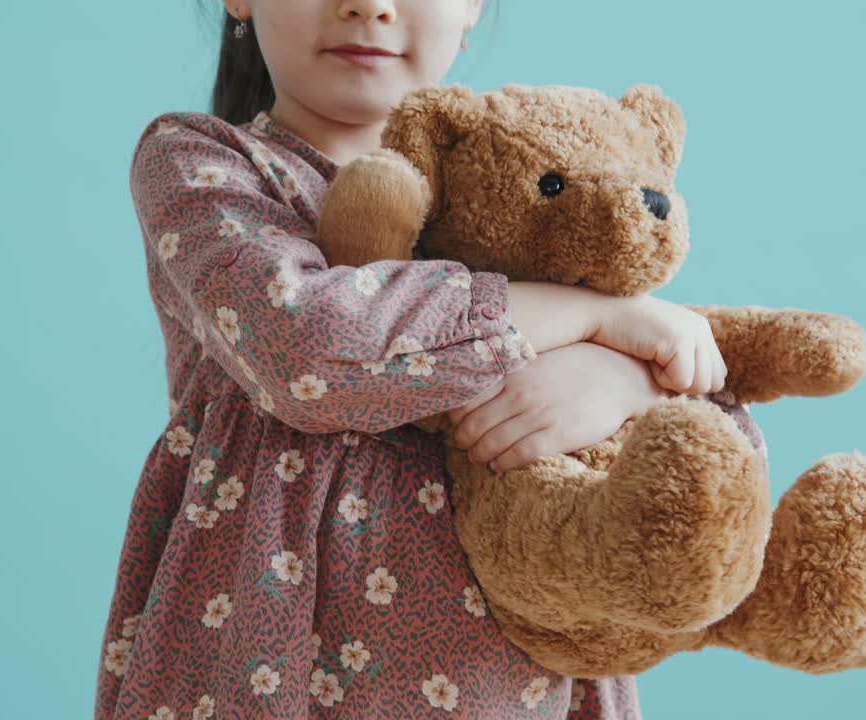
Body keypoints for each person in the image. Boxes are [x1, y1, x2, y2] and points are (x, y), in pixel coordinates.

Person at [94, 1, 766, 718]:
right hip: (269, 668)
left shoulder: (528, 187)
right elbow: (308, 347)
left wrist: (629, 381)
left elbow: (711, 456)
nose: (369, 5)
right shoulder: (202, 162)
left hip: (512, 688)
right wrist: (594, 317)